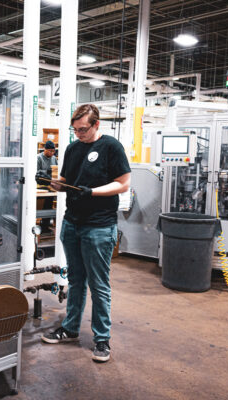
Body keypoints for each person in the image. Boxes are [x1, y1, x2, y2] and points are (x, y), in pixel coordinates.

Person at [41, 104, 131, 363]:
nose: (78, 133)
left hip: (99, 226)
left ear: (96, 125)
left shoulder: (111, 147)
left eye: (83, 129)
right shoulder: (72, 148)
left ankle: (102, 339)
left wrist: (92, 191)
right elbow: (67, 181)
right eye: (75, 129)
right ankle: (70, 329)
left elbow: (123, 184)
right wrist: (55, 184)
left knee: (99, 285)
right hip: (72, 223)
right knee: (76, 280)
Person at [36, 140, 58, 232]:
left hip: (50, 185)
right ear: (45, 149)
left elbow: (56, 170)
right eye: (50, 151)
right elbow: (36, 173)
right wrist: (48, 172)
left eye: (53, 151)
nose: (52, 153)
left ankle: (45, 225)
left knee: (48, 204)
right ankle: (38, 223)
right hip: (40, 186)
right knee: (40, 205)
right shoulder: (38, 158)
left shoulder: (54, 158)